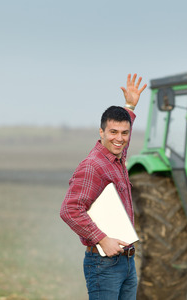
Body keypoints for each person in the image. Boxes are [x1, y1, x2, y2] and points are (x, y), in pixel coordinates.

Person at [60, 74, 147, 299]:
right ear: (101, 133)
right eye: (113, 132)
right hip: (103, 264)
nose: (119, 138)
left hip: (127, 262)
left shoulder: (115, 158)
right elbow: (70, 210)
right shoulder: (93, 166)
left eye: (125, 133)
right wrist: (102, 239)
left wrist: (130, 105)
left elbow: (121, 145)